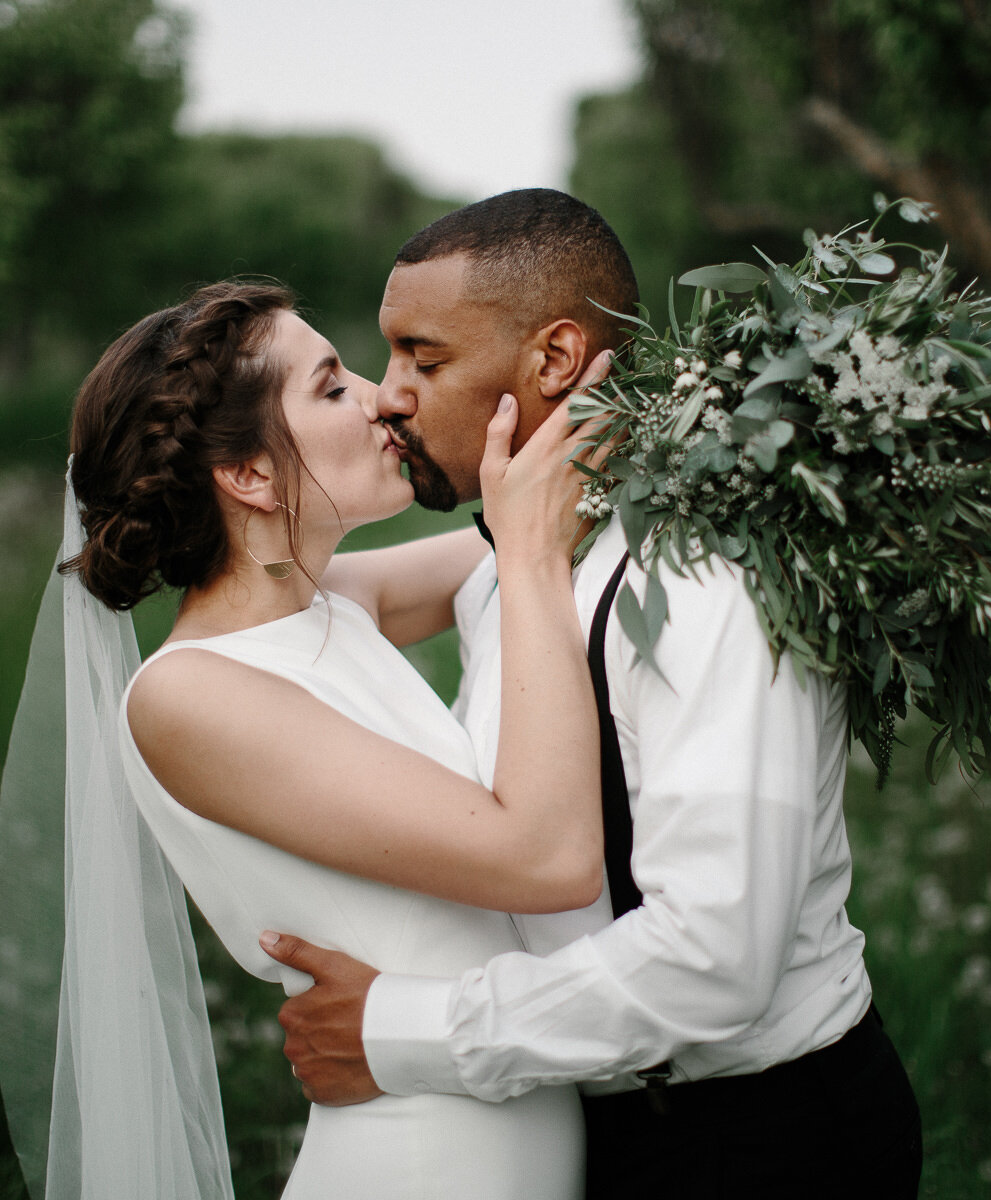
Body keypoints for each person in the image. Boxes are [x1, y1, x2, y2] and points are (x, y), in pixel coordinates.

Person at [264, 188, 925, 1197]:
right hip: (602, 1128)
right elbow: (281, 600)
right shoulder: (510, 563)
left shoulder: (700, 581)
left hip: (758, 1141)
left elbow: (714, 958)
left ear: (556, 361)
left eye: (423, 358)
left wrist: (402, 1030)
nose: (391, 393)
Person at [0, 277, 622, 1200]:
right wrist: (528, 550)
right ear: (248, 475)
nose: (382, 398)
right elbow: (548, 856)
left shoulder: (336, 605)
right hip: (422, 1163)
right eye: (332, 387)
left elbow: (548, 520)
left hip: (502, 1131)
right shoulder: (191, 696)